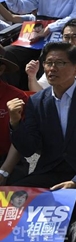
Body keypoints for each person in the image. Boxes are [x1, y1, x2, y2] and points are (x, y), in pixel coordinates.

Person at [8, 42, 76, 242]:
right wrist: (15, 123)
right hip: (52, 168)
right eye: (48, 63)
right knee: (12, 195)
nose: (51, 68)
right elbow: (28, 149)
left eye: (59, 63)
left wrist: (75, 181)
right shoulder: (37, 101)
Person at [0, 55, 29, 186]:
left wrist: (4, 172)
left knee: (15, 198)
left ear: (1, 69)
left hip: (7, 160)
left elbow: (20, 140)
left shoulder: (17, 97)